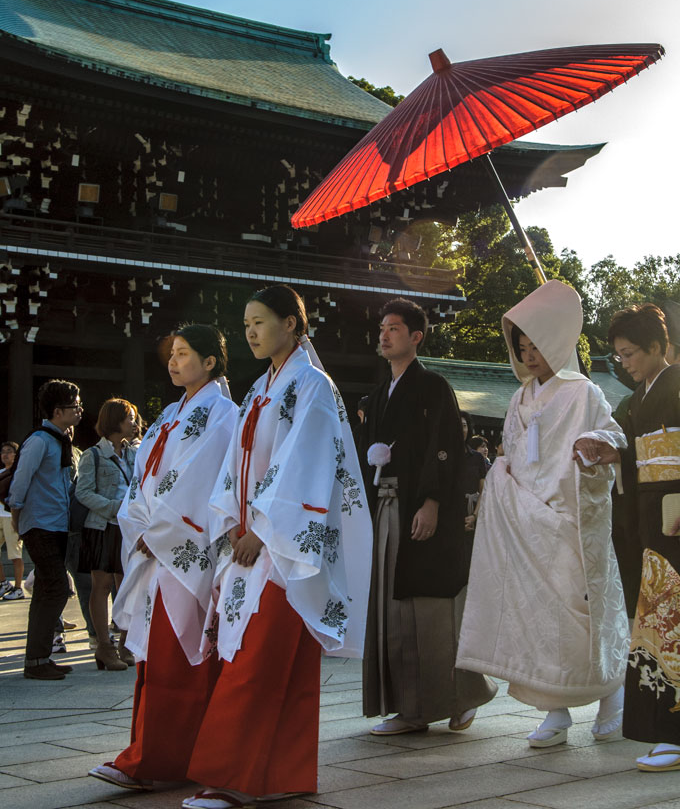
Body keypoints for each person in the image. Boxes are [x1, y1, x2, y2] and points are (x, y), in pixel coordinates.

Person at [182, 285, 372, 809]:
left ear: (293, 324)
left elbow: (303, 465)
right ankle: (285, 773)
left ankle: (231, 778)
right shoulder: (262, 388)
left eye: (260, 321)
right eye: (246, 324)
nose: (251, 332)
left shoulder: (309, 384)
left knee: (259, 659)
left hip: (279, 542)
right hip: (252, 540)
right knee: (275, 661)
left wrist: (261, 530)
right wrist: (231, 524)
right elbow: (234, 468)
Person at [458, 280, 629, 747]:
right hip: (525, 522)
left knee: (578, 611)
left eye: (537, 345)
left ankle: (612, 694)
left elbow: (614, 436)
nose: (529, 355)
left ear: (556, 343)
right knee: (535, 617)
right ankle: (555, 712)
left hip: (568, 519)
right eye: (522, 346)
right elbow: (510, 451)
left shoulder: (585, 392)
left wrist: (598, 447)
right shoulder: (517, 399)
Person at [89, 325, 238, 793]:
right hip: (158, 546)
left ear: (211, 361)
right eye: (171, 355)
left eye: (184, 353)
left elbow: (203, 480)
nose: (173, 362)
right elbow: (141, 479)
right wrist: (140, 526)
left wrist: (163, 532)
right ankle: (152, 754)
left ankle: (161, 760)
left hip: (186, 549)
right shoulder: (171, 414)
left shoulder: (223, 414)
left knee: (180, 655)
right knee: (156, 658)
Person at [360, 298, 496, 737]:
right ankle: (417, 701)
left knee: (425, 609)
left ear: (416, 337)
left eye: (394, 328)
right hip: (386, 504)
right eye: (382, 327)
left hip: (416, 505)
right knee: (393, 607)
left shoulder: (433, 385)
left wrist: (433, 501)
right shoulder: (380, 393)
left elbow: (445, 447)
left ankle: (425, 706)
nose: (384, 335)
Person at [608, 304, 680, 771]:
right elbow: (624, 447)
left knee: (673, 619)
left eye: (631, 353)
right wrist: (607, 450)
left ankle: (674, 732)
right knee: (654, 620)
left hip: (675, 514)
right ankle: (663, 729)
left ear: (658, 347)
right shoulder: (634, 402)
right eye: (618, 356)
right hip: (646, 515)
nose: (625, 363)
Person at [7, 379, 83, 680]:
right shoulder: (39, 440)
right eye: (74, 405)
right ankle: (37, 659)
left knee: (44, 590)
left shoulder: (61, 439)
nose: (80, 410)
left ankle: (38, 659)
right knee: (56, 587)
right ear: (57, 410)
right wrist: (16, 516)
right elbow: (21, 480)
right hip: (39, 524)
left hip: (56, 524)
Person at [75, 397, 137, 670]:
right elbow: (83, 492)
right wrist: (114, 507)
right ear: (115, 422)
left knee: (127, 586)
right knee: (101, 586)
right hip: (101, 527)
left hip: (127, 527)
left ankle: (125, 643)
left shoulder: (134, 453)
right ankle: (104, 645)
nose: (134, 423)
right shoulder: (93, 455)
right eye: (130, 418)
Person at [0, 441, 24, 601]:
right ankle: (3, 583)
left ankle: (18, 588)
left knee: (15, 554)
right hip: (0, 516)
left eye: (9, 451)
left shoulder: (19, 473)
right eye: (3, 452)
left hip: (11, 517)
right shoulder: (1, 472)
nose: (5, 454)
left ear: (16, 455)